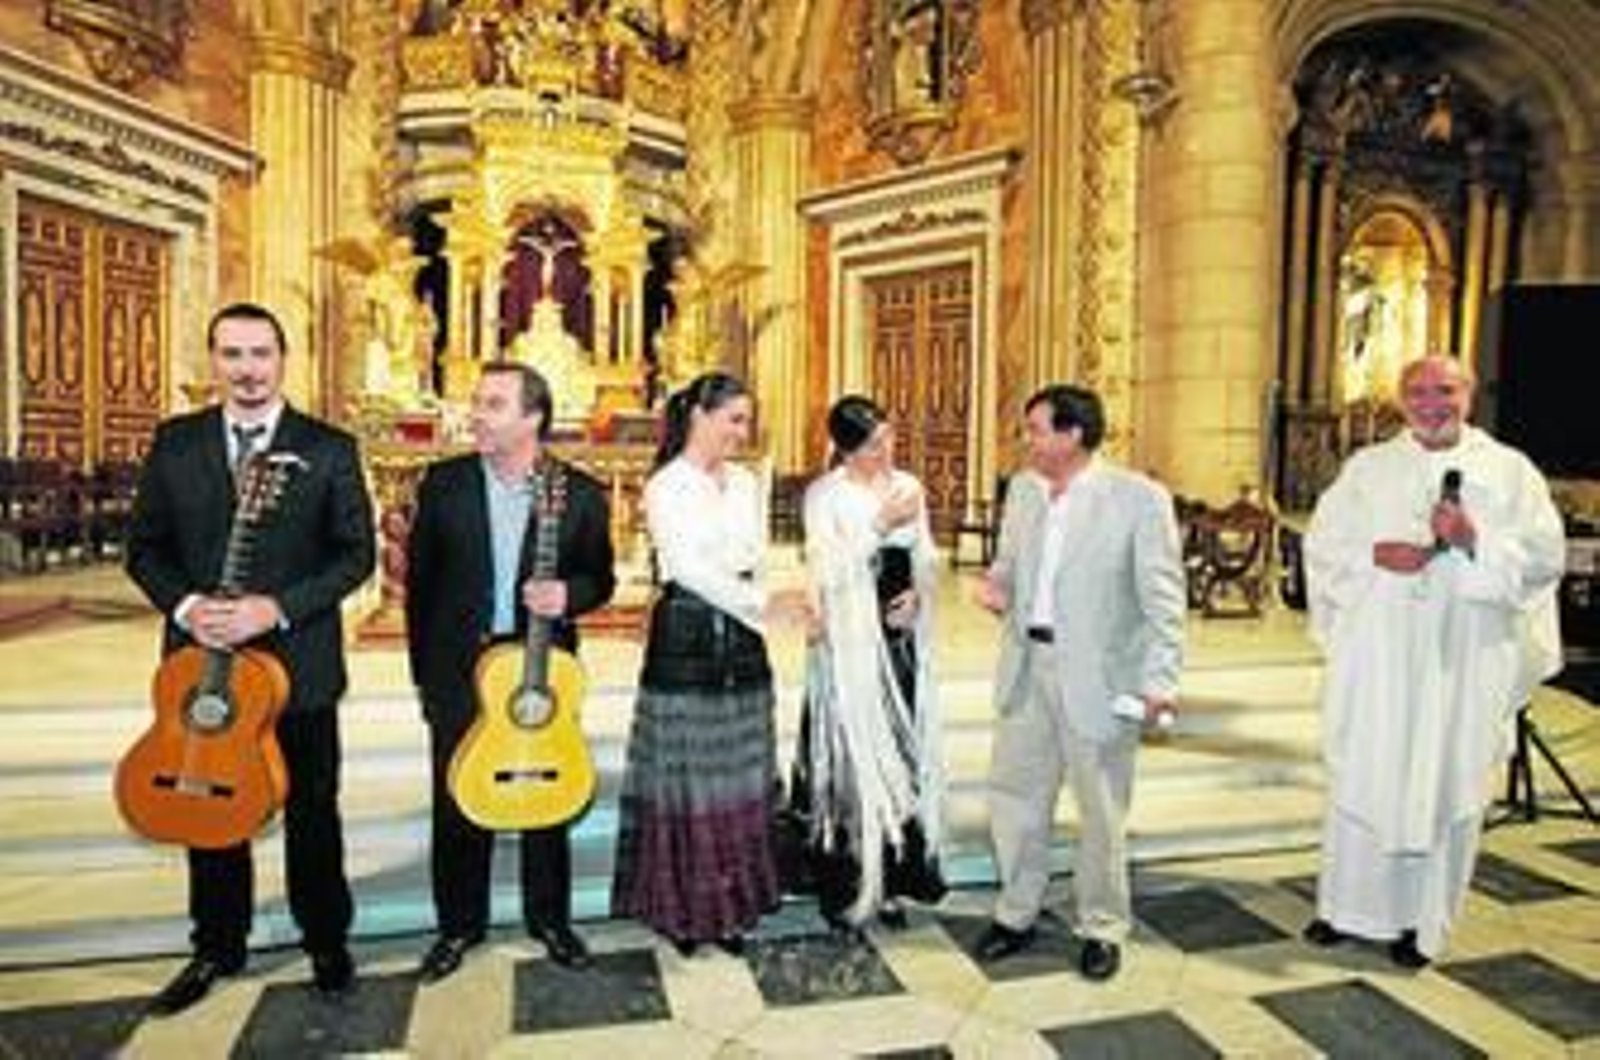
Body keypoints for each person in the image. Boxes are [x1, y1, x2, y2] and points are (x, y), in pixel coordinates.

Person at [125, 302, 376, 1014]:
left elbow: (356, 553)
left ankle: (326, 937)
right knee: (206, 800)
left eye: (260, 353)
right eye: (232, 354)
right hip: (200, 665)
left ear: (282, 359)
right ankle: (216, 945)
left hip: (299, 665)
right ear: (214, 362)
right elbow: (144, 549)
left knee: (312, 808)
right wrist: (185, 608)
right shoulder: (175, 443)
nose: (247, 369)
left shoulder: (327, 447)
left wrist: (277, 607)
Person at [1301, 354, 1564, 968]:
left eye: (1444, 390)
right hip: (1380, 656)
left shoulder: (1507, 470)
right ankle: (1344, 910)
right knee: (1367, 769)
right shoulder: (1367, 468)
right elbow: (1323, 544)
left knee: (1443, 777)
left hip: (1461, 659)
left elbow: (1544, 559)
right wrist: (1375, 555)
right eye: (1417, 391)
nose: (1430, 402)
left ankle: (1420, 926)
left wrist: (1475, 541)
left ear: (1468, 394)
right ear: (1400, 398)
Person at [406, 362, 615, 982]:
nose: (476, 414)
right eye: (477, 402)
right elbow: (420, 587)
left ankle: (549, 919)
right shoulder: (443, 484)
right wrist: (426, 679)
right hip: (458, 665)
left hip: (541, 662)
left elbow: (599, 578)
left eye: (493, 404)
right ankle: (457, 926)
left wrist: (568, 597)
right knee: (457, 797)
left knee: (545, 790)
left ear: (533, 418)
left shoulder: (578, 492)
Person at [973, 383, 1185, 982]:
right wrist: (998, 587)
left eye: (1036, 430)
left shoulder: (1138, 499)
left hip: (1099, 675)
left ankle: (1102, 925)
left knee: (1101, 811)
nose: (1028, 441)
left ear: (1072, 434)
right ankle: (1016, 912)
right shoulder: (1023, 490)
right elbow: (1011, 565)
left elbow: (1164, 599)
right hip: (1026, 667)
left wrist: (1159, 679)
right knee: (1015, 798)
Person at [610, 371, 806, 956]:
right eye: (734, 420)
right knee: (690, 775)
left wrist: (768, 596)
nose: (743, 433)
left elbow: (751, 555)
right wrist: (759, 603)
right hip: (689, 631)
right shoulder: (667, 485)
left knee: (741, 772)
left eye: (747, 421)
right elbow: (687, 568)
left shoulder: (746, 481)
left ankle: (734, 902)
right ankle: (688, 910)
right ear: (699, 414)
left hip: (741, 635)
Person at [788, 395, 947, 931]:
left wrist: (921, 596)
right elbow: (826, 567)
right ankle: (848, 883)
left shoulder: (910, 487)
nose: (886, 450)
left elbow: (926, 554)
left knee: (898, 752)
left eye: (888, 437)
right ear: (845, 448)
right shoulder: (824, 495)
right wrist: (878, 523)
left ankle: (896, 879)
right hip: (848, 634)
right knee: (853, 757)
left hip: (897, 628)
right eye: (872, 443)